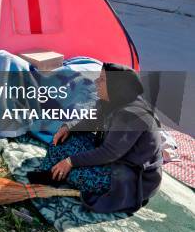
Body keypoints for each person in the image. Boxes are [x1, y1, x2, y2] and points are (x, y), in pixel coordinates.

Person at [32, 63, 163, 214]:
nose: (96, 83)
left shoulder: (132, 115)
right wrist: (68, 127)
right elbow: (90, 121)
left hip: (130, 175)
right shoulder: (110, 101)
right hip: (111, 157)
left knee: (76, 173)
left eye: (101, 80)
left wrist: (70, 161)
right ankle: (55, 172)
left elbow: (109, 152)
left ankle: (58, 173)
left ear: (116, 85)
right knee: (60, 141)